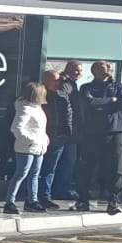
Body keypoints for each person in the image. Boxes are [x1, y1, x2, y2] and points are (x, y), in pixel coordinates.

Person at [74, 61, 122, 215]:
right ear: (96, 70)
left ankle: (113, 200)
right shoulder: (86, 87)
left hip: (114, 132)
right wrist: (111, 101)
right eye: (106, 67)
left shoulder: (117, 86)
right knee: (87, 167)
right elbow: (88, 102)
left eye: (110, 67)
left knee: (115, 167)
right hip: (92, 133)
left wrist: (100, 105)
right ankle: (83, 199)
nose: (110, 69)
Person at [5, 81, 50, 214]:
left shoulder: (37, 108)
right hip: (27, 147)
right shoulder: (25, 108)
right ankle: (9, 202)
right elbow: (16, 128)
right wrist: (30, 140)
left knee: (34, 175)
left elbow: (39, 128)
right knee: (21, 174)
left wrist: (44, 139)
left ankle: (32, 200)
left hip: (38, 146)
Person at [36, 69, 74, 209]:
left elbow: (68, 113)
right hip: (41, 136)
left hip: (58, 137)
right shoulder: (38, 95)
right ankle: (33, 195)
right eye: (55, 80)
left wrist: (67, 132)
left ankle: (45, 195)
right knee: (36, 168)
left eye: (59, 80)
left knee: (50, 168)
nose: (58, 83)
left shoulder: (61, 96)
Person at [52, 60, 85, 199]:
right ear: (68, 69)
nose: (78, 72)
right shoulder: (65, 84)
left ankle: (60, 189)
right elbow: (65, 106)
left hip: (71, 131)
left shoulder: (72, 84)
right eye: (76, 69)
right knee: (63, 162)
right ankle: (58, 191)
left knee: (67, 162)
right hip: (66, 132)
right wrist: (69, 128)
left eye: (80, 70)